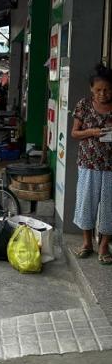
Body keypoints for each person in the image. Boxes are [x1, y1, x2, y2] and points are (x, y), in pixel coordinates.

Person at [71, 63, 112, 264]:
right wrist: (92, 132)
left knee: (109, 206)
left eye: (107, 90)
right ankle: (87, 243)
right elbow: (74, 133)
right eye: (98, 90)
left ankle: (104, 245)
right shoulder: (84, 105)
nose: (102, 94)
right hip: (88, 163)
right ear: (91, 89)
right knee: (86, 203)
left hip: (111, 167)